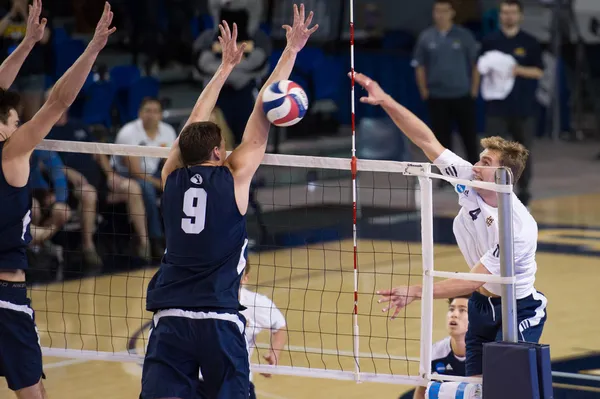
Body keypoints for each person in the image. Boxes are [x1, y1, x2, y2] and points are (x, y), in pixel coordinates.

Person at [139, 5, 318, 399]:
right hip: (219, 318)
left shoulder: (170, 176)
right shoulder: (234, 177)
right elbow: (262, 112)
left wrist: (221, 69)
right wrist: (291, 50)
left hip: (171, 317)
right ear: (220, 152)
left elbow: (192, 125)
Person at [350, 71, 547, 378]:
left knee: (506, 383)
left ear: (503, 177)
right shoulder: (468, 179)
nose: (475, 166)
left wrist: (416, 290)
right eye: (479, 159)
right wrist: (385, 100)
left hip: (518, 308)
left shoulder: (517, 227)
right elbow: (425, 139)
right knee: (474, 386)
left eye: (485, 163)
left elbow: (469, 281)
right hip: (481, 305)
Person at [0, 2, 115, 397]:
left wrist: (29, 43)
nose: (19, 124)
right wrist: (93, 48)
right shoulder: (12, 154)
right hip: (6, 301)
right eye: (14, 120)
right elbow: (58, 102)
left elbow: (0, 83)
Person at [479, 0, 543, 206]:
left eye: (512, 13)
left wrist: (516, 70)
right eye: (505, 13)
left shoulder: (530, 42)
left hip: (522, 107)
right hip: (496, 107)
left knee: (521, 151)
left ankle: (524, 190)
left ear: (520, 15)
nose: (508, 16)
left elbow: (538, 71)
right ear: (500, 16)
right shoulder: (490, 41)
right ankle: (492, 188)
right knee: (493, 150)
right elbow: (481, 67)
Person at [412, 0, 480, 165]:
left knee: (469, 136)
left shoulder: (464, 35)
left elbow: (475, 64)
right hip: (437, 96)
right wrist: (424, 91)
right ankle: (446, 175)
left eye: (445, 11)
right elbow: (419, 66)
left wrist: (473, 90)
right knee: (441, 139)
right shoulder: (426, 37)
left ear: (452, 13)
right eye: (438, 11)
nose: (441, 15)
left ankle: (476, 171)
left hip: (462, 94)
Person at [409, 296, 469, 399]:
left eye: (462, 310)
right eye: (451, 309)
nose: (454, 314)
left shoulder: (486, 354)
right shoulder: (434, 353)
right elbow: (420, 393)